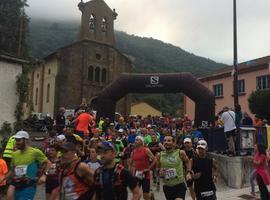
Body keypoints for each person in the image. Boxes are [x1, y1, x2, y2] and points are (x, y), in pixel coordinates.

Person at [0, 131, 52, 200]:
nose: (16, 142)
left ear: (26, 140)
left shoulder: (35, 152)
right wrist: (3, 179)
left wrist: (44, 175)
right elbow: (12, 170)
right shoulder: (15, 154)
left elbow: (48, 163)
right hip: (16, 185)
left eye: (19, 140)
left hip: (29, 185)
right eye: (16, 140)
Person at [157, 135, 192, 200]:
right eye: (164, 141)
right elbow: (158, 169)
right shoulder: (160, 155)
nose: (166, 142)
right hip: (167, 186)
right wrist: (159, 173)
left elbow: (188, 161)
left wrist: (188, 172)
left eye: (169, 140)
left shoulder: (180, 152)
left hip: (179, 185)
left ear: (174, 143)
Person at [130, 136, 157, 200]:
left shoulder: (146, 150)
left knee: (145, 196)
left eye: (137, 140)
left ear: (142, 142)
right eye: (135, 140)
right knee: (136, 194)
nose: (135, 141)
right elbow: (132, 164)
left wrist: (148, 169)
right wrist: (132, 175)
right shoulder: (133, 152)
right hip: (137, 175)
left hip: (145, 175)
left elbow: (154, 160)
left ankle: (151, 196)